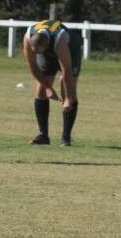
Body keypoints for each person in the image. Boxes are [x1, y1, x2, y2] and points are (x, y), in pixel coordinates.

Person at [23, 19, 81, 147]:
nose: (36, 54)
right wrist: (48, 88)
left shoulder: (59, 41)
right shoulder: (28, 36)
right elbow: (33, 67)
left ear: (47, 43)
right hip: (46, 54)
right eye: (35, 52)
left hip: (71, 51)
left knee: (67, 93)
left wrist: (69, 98)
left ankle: (66, 138)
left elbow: (66, 72)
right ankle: (43, 135)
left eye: (39, 51)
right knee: (41, 90)